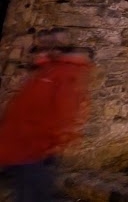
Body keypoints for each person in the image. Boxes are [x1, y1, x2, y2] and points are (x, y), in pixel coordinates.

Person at [0, 28, 94, 202]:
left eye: (51, 44)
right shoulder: (46, 69)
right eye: (43, 44)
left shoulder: (65, 73)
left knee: (32, 194)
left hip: (34, 149)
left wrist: (46, 143)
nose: (45, 48)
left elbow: (64, 113)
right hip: (21, 146)